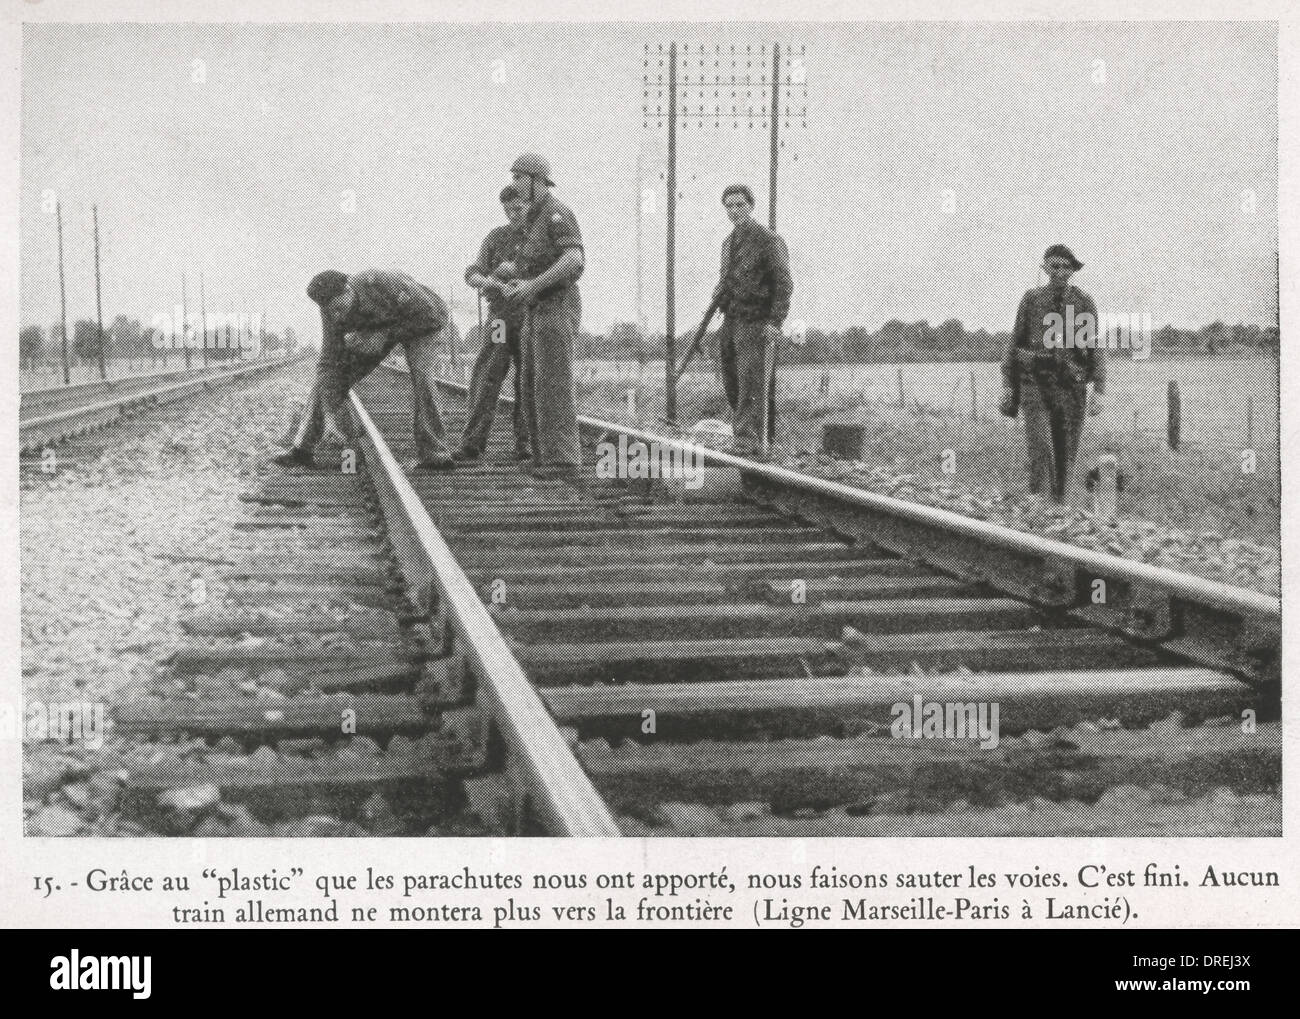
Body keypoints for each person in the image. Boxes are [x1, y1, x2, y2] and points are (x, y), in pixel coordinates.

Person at [273, 268, 455, 472]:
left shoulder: (381, 282)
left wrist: (384, 335)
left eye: (340, 309)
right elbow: (328, 362)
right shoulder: (329, 309)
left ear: (348, 290)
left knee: (423, 376)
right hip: (377, 331)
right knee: (326, 380)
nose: (337, 316)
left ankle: (435, 454)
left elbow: (430, 316)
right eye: (331, 311)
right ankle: (302, 450)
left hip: (424, 323)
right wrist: (331, 414)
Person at [500, 153, 585, 480]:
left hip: (557, 305)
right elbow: (538, 262)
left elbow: (573, 260)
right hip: (535, 308)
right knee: (531, 383)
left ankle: (563, 460)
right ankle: (543, 457)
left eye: (519, 177)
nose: (515, 184)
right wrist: (519, 278)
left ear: (537, 180)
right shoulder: (532, 220)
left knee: (553, 382)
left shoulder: (555, 213)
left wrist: (533, 284)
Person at [999, 244, 1106, 501]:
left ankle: (1058, 511)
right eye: (1054, 266)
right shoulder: (1031, 300)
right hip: (1035, 385)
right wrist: (1007, 384)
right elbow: (1015, 342)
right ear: (1046, 268)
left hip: (1070, 389)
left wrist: (1100, 389)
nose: (1060, 272)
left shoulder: (1083, 303)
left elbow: (1094, 345)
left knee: (1065, 457)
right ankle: (1039, 508)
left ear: (1072, 271)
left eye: (1065, 267)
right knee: (1039, 447)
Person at [711, 184, 793, 458]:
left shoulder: (768, 240)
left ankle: (749, 443)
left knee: (752, 383)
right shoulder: (727, 243)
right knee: (732, 381)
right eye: (729, 206)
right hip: (732, 320)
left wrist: (775, 321)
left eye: (740, 205)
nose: (734, 211)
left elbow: (784, 283)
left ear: (751, 206)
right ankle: (757, 438)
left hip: (756, 321)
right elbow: (726, 281)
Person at [456, 185, 531, 462]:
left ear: (529, 205)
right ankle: (472, 443)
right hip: (500, 318)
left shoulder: (540, 237)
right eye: (507, 210)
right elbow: (473, 272)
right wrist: (488, 281)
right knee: (488, 374)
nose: (512, 214)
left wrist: (517, 271)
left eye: (518, 208)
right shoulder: (496, 237)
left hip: (528, 317)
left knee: (527, 378)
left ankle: (526, 444)